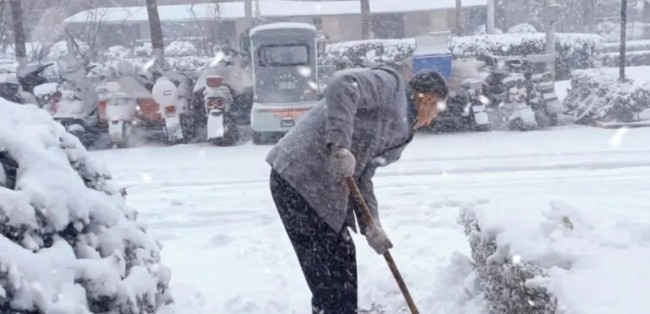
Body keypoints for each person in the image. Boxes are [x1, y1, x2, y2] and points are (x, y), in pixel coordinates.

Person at [266, 65, 448, 314]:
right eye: (436, 112)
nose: (432, 120)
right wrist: (340, 146)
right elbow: (344, 84)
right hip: (298, 174)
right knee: (330, 279)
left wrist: (372, 225)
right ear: (428, 99)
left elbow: (363, 176)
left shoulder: (401, 135)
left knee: (340, 268)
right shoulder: (390, 86)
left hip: (323, 191)